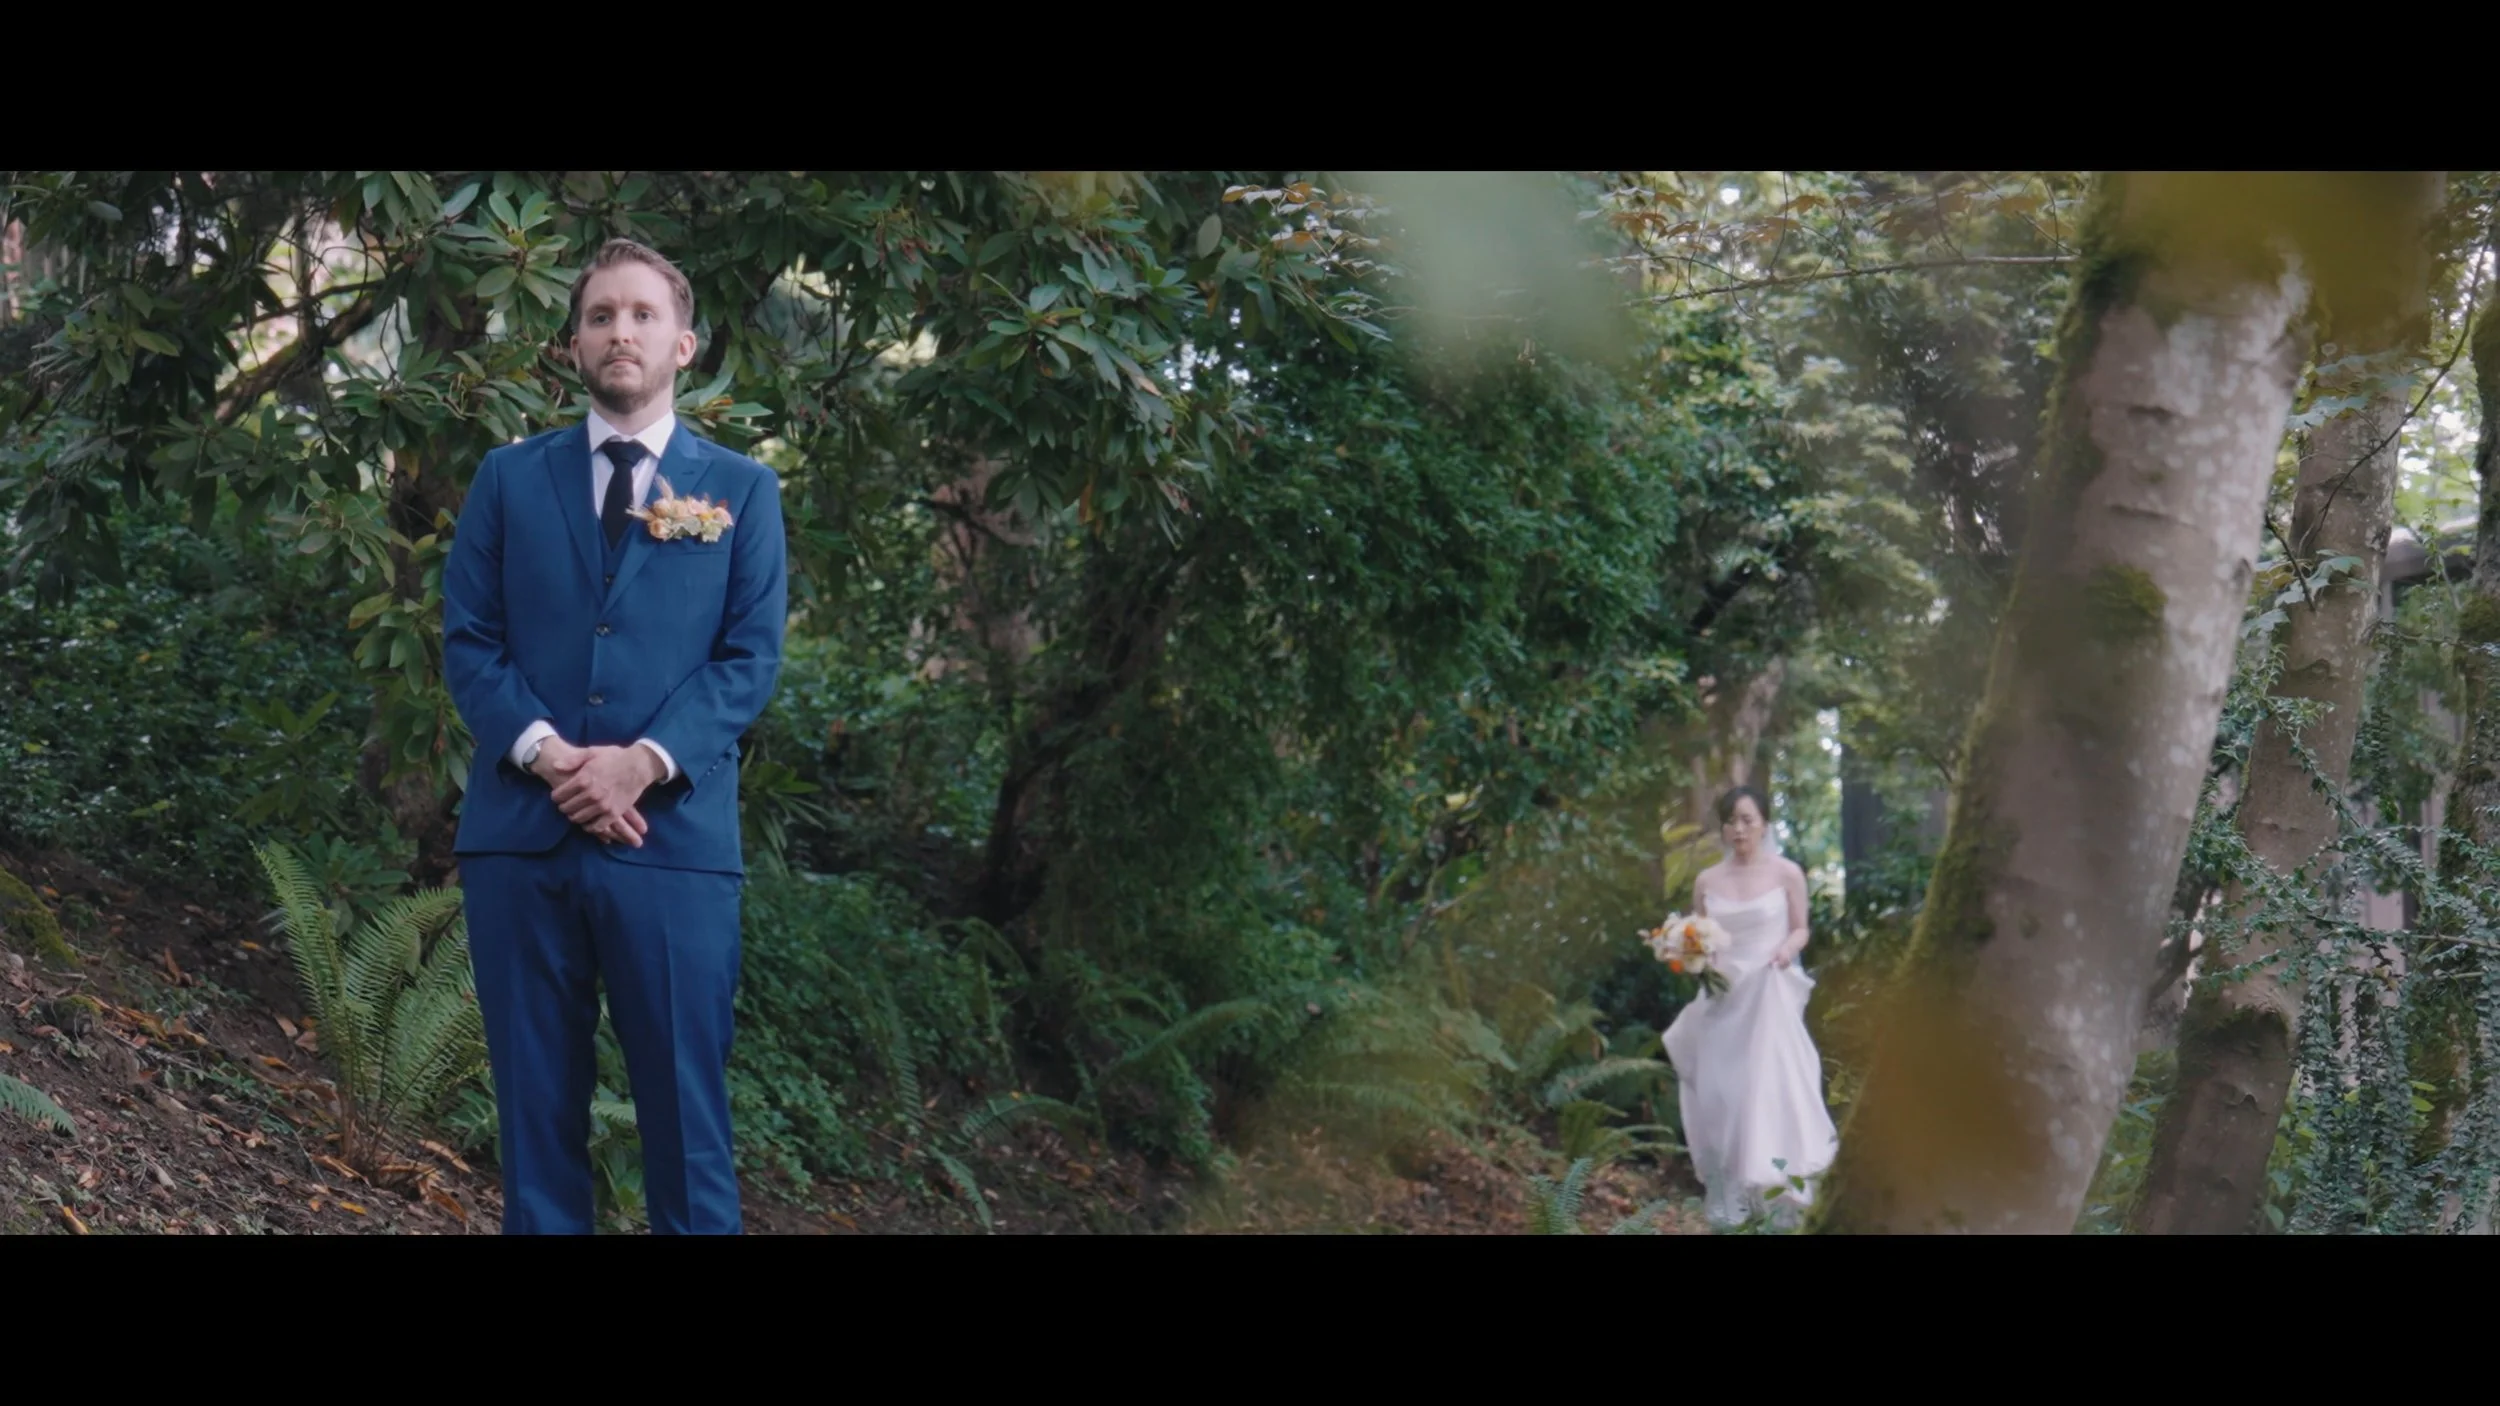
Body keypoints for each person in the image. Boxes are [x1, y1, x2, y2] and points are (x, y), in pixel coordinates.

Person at [441, 237, 788, 1234]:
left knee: (685, 1121)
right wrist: (551, 756)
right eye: (600, 316)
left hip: (671, 845)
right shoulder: (507, 480)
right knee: (535, 1120)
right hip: (523, 836)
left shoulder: (742, 491)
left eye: (640, 314)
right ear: (571, 347)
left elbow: (747, 659)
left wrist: (640, 762)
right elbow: (470, 640)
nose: (620, 331)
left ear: (684, 343)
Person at [1661, 785, 1840, 1228]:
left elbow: (1801, 929)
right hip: (1724, 995)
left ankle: (1777, 1192)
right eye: (1731, 821)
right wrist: (1691, 956)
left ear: (1763, 823)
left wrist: (1783, 951)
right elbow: (1697, 936)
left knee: (1768, 1085)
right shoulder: (1707, 881)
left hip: (1768, 989)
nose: (1739, 829)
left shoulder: (1787, 873)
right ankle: (1732, 1194)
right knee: (1724, 1092)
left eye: (1747, 819)